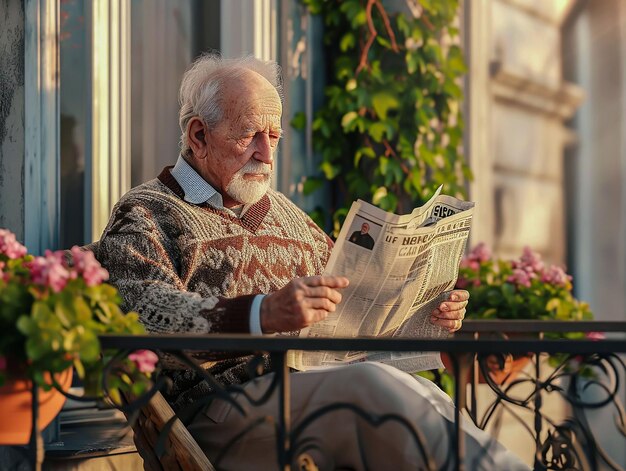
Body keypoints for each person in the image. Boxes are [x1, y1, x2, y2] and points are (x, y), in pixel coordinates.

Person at [98, 54, 529, 470]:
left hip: (306, 396)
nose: (266, 154)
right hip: (212, 414)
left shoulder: (287, 213)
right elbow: (143, 319)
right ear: (199, 136)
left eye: (275, 137)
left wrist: (423, 313)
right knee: (370, 391)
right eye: (250, 135)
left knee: (414, 391)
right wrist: (262, 313)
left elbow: (350, 305)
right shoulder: (148, 212)